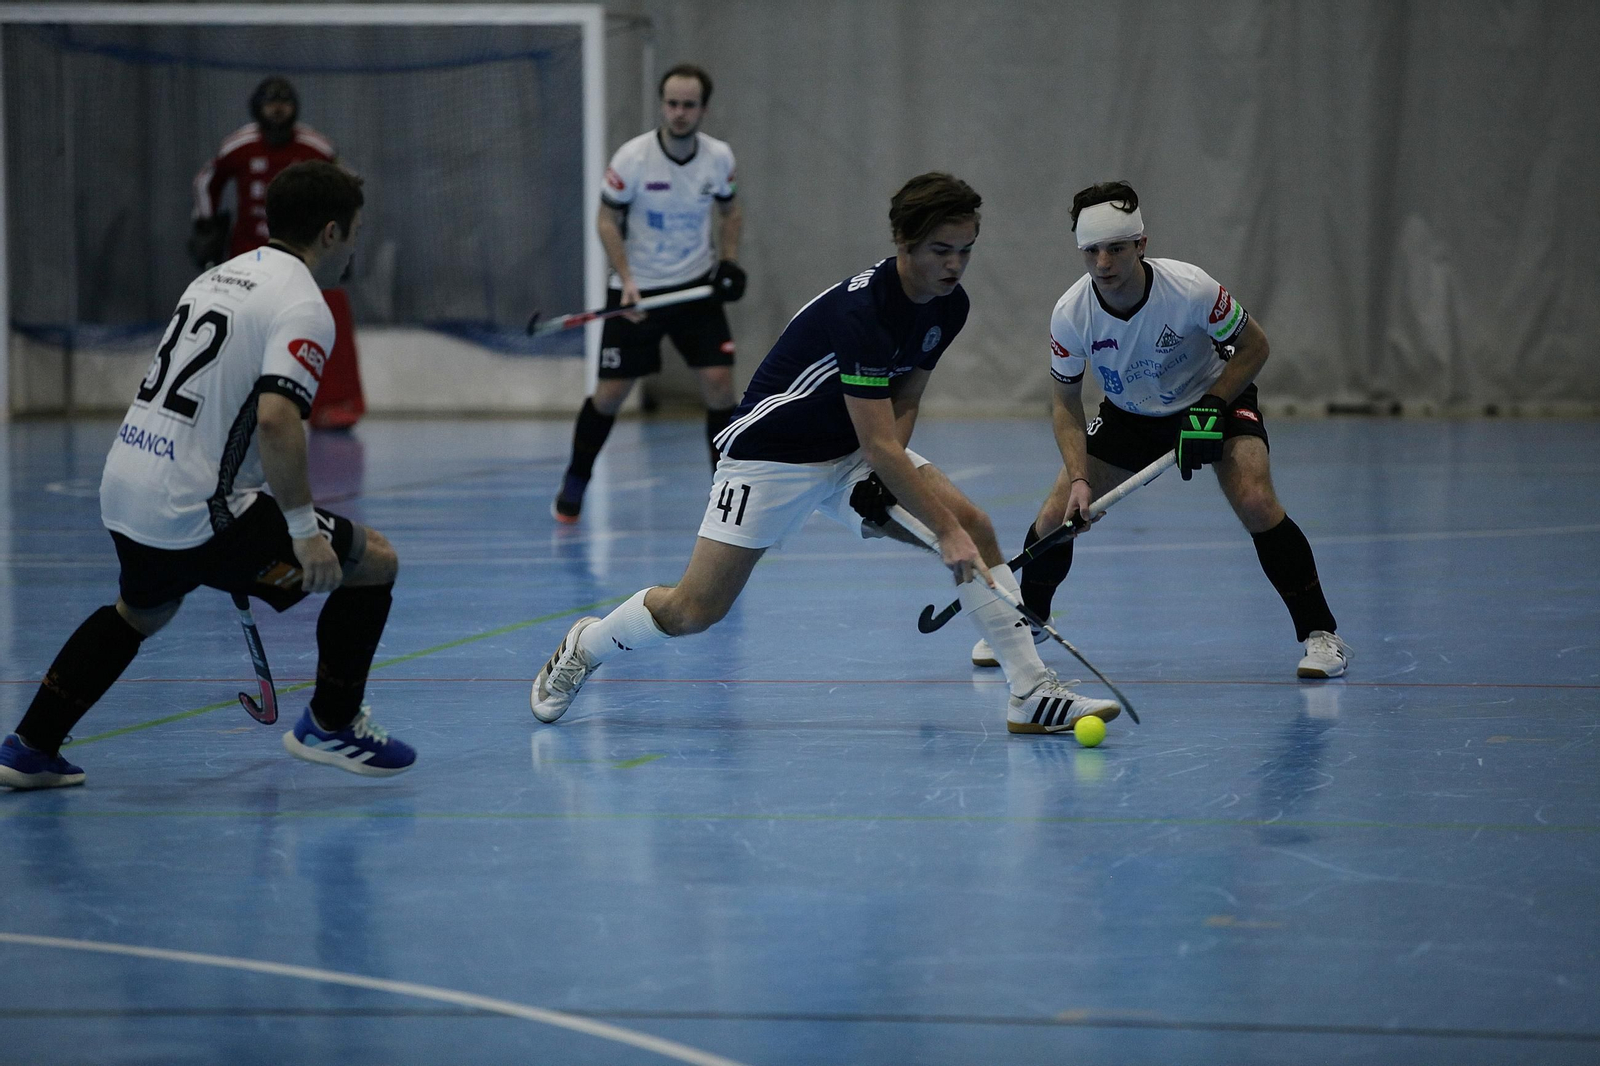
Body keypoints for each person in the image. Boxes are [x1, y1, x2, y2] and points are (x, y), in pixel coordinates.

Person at [531, 173, 1120, 735]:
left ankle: (1030, 692)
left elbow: (904, 400)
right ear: (903, 242)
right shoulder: (861, 313)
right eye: (940, 250)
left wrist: (903, 491)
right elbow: (879, 442)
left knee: (976, 527)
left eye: (965, 251)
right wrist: (939, 528)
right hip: (769, 458)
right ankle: (587, 644)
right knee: (695, 609)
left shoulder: (949, 306)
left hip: (854, 449)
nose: (954, 265)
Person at [0, 162, 414, 791]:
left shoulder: (216, 276)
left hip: (127, 485)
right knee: (375, 561)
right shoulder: (305, 303)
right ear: (331, 233)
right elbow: (277, 419)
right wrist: (304, 533)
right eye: (355, 234)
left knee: (142, 610)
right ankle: (332, 723)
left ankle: (30, 745)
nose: (355, 249)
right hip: (198, 507)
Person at [970, 180, 1350, 679]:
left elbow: (1255, 347)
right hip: (1129, 415)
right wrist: (1080, 478)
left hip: (1215, 399)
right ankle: (1031, 620)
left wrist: (1212, 405)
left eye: (1116, 248)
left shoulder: (1191, 288)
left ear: (1141, 245)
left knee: (1257, 501)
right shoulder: (1070, 314)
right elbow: (1065, 403)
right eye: (1091, 251)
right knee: (1054, 518)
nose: (1103, 263)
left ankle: (1321, 634)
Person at [552, 63, 746, 523]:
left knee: (720, 385)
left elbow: (731, 211)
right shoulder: (633, 158)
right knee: (610, 393)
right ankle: (576, 479)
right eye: (672, 104)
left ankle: (725, 496)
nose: (679, 113)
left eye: (689, 105)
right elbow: (606, 219)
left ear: (703, 109)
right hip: (637, 292)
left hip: (696, 287)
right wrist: (627, 280)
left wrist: (728, 262)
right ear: (662, 105)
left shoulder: (718, 157)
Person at [190, 76, 366, 431]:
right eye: (271, 104)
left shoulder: (314, 145)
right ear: (257, 108)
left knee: (331, 309)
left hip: (306, 257)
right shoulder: (240, 145)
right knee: (238, 323)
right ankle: (226, 401)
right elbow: (206, 181)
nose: (278, 111)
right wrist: (207, 225)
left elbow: (348, 183)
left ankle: (336, 403)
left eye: (284, 104)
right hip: (248, 254)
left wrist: (342, 238)